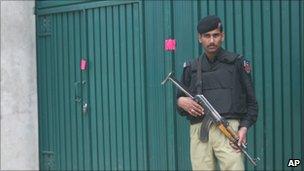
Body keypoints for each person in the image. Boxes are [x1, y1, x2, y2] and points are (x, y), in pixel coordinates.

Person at [176, 15, 258, 170]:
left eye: (215, 35)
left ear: (223, 36)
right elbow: (179, 103)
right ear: (199, 38)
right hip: (199, 131)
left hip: (228, 130)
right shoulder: (191, 67)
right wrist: (181, 102)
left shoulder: (237, 63)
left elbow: (252, 103)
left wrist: (244, 128)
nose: (211, 40)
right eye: (207, 36)